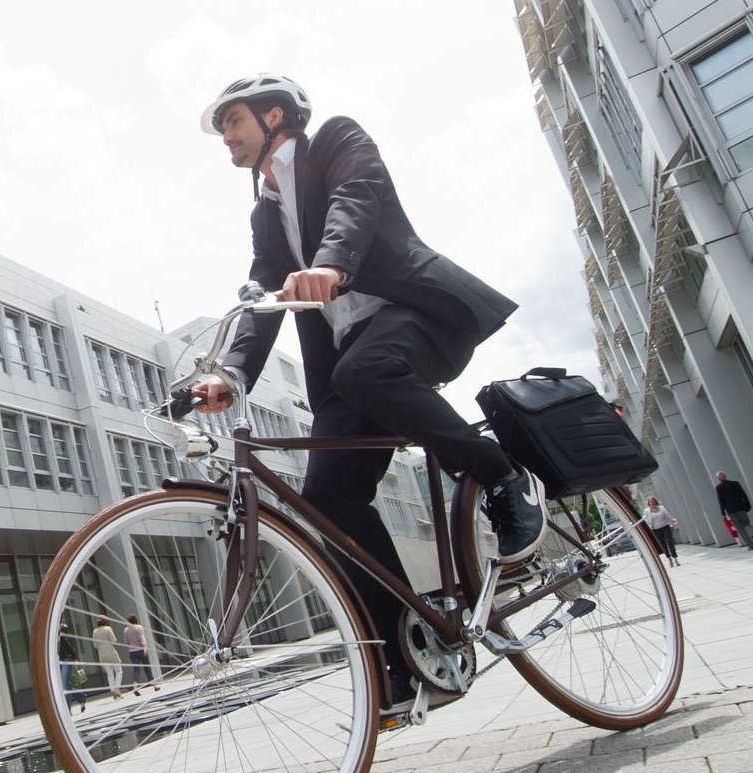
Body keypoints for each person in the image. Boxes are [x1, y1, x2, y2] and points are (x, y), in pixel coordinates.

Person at [190, 74, 545, 711]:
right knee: (326, 497)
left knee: (363, 372)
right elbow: (260, 296)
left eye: (233, 123)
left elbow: (358, 200)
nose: (227, 140)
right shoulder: (264, 213)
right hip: (351, 357)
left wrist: (331, 265)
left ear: (275, 116)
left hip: (416, 316)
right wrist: (230, 374)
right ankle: (410, 659)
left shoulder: (335, 140)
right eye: (221, 132)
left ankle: (504, 477)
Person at [715, 471, 753, 551]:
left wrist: (723, 512)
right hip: (741, 508)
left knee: (740, 528)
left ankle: (750, 546)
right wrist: (748, 505)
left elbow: (721, 500)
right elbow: (743, 494)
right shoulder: (735, 483)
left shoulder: (719, 488)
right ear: (725, 476)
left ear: (718, 479)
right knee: (747, 524)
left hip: (731, 511)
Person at [123, 613, 159, 696]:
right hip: (141, 650)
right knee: (147, 668)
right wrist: (145, 647)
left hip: (132, 651)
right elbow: (142, 637)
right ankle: (155, 685)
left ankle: (135, 687)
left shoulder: (126, 630)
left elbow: (126, 642)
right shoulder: (139, 627)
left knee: (136, 670)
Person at [641, 496, 681, 567]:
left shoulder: (661, 508)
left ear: (655, 501)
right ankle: (669, 558)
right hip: (655, 530)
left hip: (665, 527)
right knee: (663, 544)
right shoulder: (646, 511)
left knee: (669, 541)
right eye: (650, 502)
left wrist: (672, 521)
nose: (652, 503)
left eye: (653, 501)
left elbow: (668, 516)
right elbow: (646, 521)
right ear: (648, 503)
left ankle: (675, 559)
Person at [57, 627, 89, 713]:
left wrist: (75, 659)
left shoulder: (62, 636)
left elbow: (70, 647)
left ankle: (67, 711)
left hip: (66, 659)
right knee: (63, 685)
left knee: (65, 684)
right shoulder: (50, 639)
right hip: (58, 662)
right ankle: (81, 697)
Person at [92, 616, 124, 699]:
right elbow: (114, 640)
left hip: (101, 653)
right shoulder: (108, 629)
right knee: (118, 671)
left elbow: (95, 644)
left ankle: (113, 691)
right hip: (110, 651)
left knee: (109, 674)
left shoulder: (95, 631)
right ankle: (117, 689)